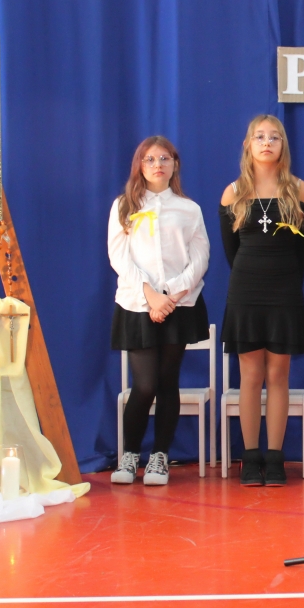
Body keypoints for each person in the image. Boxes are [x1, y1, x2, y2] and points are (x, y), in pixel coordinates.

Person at [107, 137, 209, 486]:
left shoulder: (189, 209)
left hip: (178, 304)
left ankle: (160, 456)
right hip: (137, 304)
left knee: (167, 382)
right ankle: (130, 454)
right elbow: (119, 256)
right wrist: (150, 294)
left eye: (164, 158)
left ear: (175, 164)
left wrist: (171, 295)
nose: (157, 165)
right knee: (145, 384)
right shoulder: (124, 205)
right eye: (149, 159)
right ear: (140, 165)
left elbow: (200, 258)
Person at [220, 115, 304, 487]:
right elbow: (232, 252)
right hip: (245, 291)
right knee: (250, 377)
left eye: (274, 137)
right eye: (259, 136)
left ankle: (275, 458)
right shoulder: (233, 193)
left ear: (283, 145)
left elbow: (303, 251)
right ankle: (250, 457)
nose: (266, 142)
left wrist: (285, 282)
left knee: (278, 376)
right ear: (248, 144)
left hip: (284, 291)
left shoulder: (300, 191)